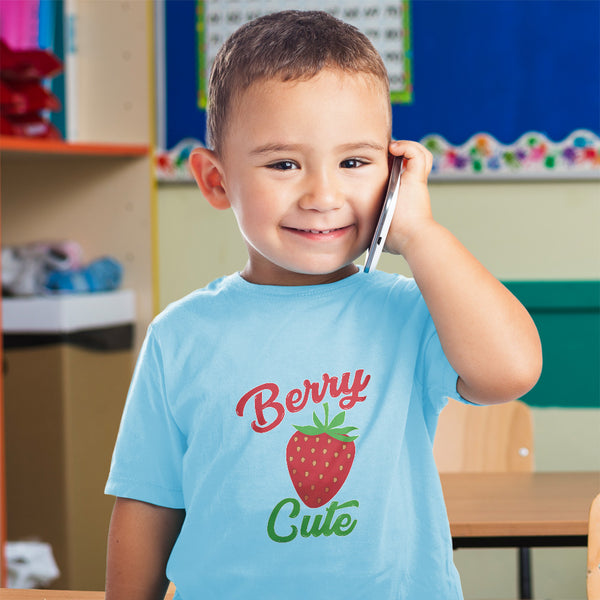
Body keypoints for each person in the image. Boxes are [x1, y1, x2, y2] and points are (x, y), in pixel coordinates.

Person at [105, 10, 542, 600]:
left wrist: (418, 234)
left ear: (392, 174)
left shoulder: (412, 311)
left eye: (355, 163)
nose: (323, 196)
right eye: (283, 164)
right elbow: (149, 503)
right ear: (216, 181)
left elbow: (511, 372)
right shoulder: (180, 335)